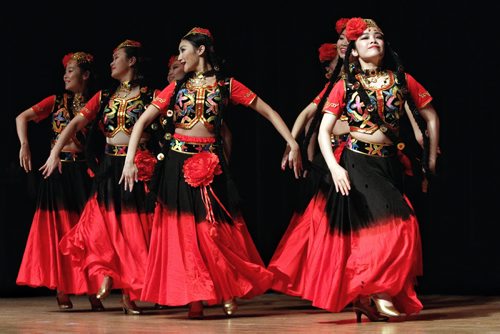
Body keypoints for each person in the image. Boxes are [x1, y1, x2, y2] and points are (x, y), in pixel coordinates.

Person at [120, 27, 302, 319]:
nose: (179, 57)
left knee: (214, 231)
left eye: (183, 50)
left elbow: (267, 111)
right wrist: (129, 160)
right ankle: (195, 297)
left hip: (211, 161)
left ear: (200, 50)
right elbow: (141, 121)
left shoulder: (226, 85)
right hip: (177, 163)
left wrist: (292, 143)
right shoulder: (177, 88)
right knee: (184, 233)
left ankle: (228, 289)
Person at [313, 17, 439, 322]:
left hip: (390, 162)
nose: (373, 39)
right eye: (365, 37)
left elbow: (431, 117)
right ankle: (380, 293)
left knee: (382, 229)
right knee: (398, 225)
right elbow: (323, 131)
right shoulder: (345, 85)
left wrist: (430, 161)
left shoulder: (402, 79)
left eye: (378, 36)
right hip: (359, 162)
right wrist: (335, 168)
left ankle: (367, 295)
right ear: (353, 50)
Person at [40, 40, 160, 315]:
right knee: (99, 225)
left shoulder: (149, 94)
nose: (111, 62)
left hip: (136, 167)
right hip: (109, 166)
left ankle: (130, 293)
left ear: (131, 62)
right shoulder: (105, 96)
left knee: (133, 231)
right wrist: (55, 152)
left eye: (116, 57)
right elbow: (75, 124)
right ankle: (105, 273)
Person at [15, 51, 104, 311]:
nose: (65, 75)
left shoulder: (96, 103)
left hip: (85, 173)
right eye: (65, 71)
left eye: (71, 70)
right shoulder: (56, 101)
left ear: (85, 75)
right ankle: (62, 288)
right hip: (58, 172)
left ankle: (92, 290)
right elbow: (22, 117)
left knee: (87, 233)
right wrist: (25, 145)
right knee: (61, 231)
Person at [166, 54, 233, 160]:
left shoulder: (205, 96)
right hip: (173, 156)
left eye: (175, 67)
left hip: (203, 157)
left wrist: (225, 165)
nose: (170, 73)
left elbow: (225, 133)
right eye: (169, 69)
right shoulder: (162, 96)